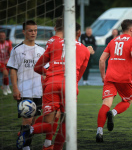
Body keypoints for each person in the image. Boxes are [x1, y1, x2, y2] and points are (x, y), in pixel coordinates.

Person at [16, 19, 92, 150]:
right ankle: (53, 147)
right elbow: (78, 77)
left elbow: (37, 68)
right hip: (69, 87)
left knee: (49, 123)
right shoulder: (85, 50)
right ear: (79, 33)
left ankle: (28, 131)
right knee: (66, 122)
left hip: (51, 84)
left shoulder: (54, 43)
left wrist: (50, 73)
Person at [96, 19, 132, 142]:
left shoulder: (113, 41)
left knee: (105, 104)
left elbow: (102, 60)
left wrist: (103, 76)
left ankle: (99, 132)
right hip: (123, 78)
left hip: (110, 77)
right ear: (131, 29)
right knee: (128, 100)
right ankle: (112, 113)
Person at [7, 20, 45, 150]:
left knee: (33, 122)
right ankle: (25, 147)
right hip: (24, 90)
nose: (33, 33)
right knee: (27, 120)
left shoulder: (41, 50)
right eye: (30, 30)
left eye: (35, 30)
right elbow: (12, 70)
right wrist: (15, 88)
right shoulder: (17, 50)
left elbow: (45, 72)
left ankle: (24, 142)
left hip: (38, 91)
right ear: (24, 32)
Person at [0, 31, 12, 95]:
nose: (2, 37)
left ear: (5, 36)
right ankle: (7, 87)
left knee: (5, 75)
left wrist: (9, 60)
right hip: (0, 62)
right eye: (1, 35)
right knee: (6, 73)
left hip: (7, 61)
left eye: (3, 35)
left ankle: (4, 87)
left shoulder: (8, 43)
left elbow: (11, 53)